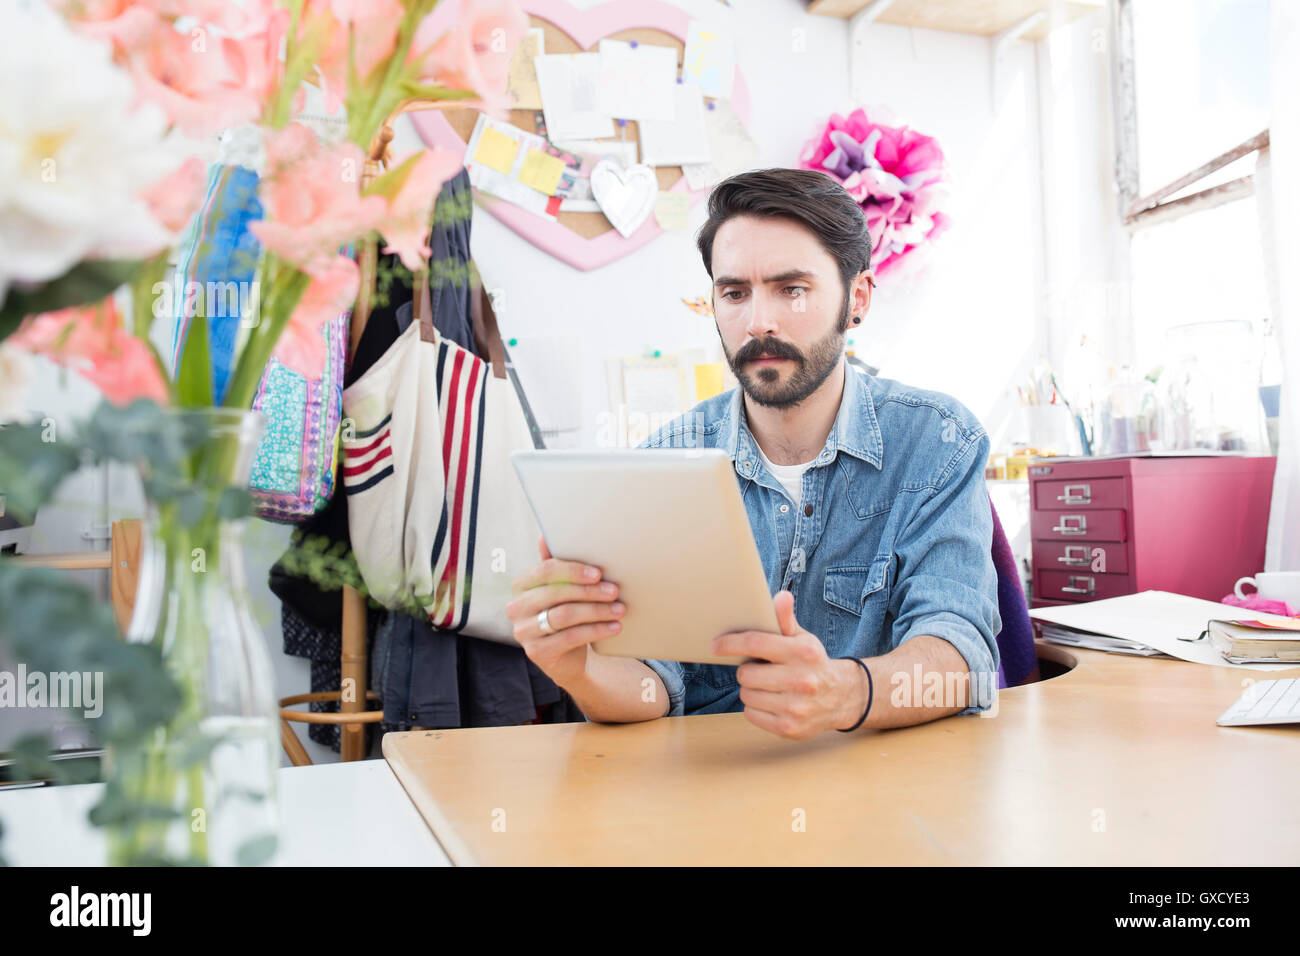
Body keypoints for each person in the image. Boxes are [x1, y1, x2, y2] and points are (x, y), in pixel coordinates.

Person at [505, 167, 1001, 739]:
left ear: (857, 297)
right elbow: (655, 687)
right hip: (710, 795)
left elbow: (964, 663)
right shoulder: (664, 461)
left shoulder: (936, 441)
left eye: (792, 289)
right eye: (734, 293)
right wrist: (580, 669)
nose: (758, 322)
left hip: (882, 787)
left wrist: (846, 693)